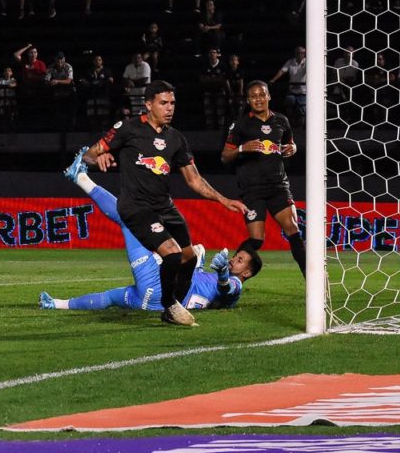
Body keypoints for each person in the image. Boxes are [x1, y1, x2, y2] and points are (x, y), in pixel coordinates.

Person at [75, 79, 247, 326]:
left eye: (173, 103)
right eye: (163, 103)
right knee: (173, 254)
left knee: (189, 258)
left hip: (165, 207)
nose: (170, 108)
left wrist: (223, 200)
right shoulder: (127, 128)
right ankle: (170, 306)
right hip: (136, 206)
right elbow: (89, 154)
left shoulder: (176, 139)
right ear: (148, 105)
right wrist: (100, 157)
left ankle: (172, 303)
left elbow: (194, 179)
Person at [41, 155, 261, 314]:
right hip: (152, 302)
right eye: (236, 256)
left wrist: (222, 274)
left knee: (128, 220)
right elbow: (198, 286)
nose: (233, 260)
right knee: (109, 297)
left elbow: (228, 289)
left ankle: (80, 177)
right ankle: (56, 304)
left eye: (240, 261)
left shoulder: (236, 285)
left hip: (158, 290)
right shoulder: (212, 285)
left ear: (248, 273)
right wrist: (199, 264)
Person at [221, 80, 304, 276]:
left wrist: (293, 148)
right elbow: (224, 156)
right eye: (253, 96)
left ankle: (313, 281)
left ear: (269, 96)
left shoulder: (281, 121)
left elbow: (289, 144)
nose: (258, 99)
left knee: (293, 230)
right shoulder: (240, 124)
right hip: (252, 189)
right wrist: (242, 148)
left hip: (278, 186)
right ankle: (229, 276)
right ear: (248, 100)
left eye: (261, 95)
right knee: (256, 241)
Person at [268, 45, 307, 128]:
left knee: (302, 110)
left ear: (304, 54)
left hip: (303, 91)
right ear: (295, 53)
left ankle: (301, 127)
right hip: (292, 90)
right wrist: (273, 79)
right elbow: (282, 71)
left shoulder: (308, 62)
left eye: (302, 53)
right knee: (289, 102)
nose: (300, 54)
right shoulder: (290, 62)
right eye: (298, 53)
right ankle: (291, 124)